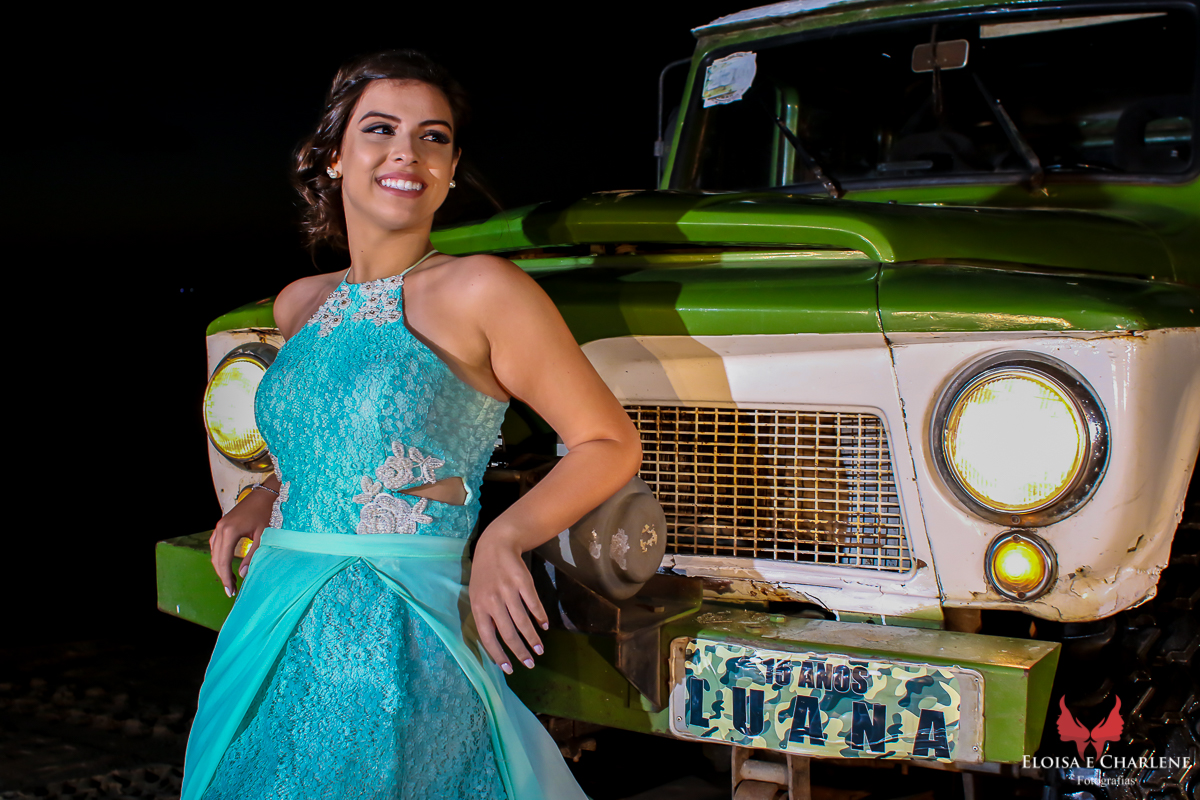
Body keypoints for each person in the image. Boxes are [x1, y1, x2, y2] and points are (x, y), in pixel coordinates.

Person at [181, 50, 642, 800]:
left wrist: (506, 537)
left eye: (433, 137)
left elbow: (608, 441)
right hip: (272, 610)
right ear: (334, 157)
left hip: (396, 624)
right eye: (381, 130)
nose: (407, 152)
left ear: (452, 168)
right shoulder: (299, 303)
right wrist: (264, 497)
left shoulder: (481, 288)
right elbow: (321, 441)